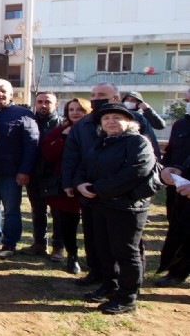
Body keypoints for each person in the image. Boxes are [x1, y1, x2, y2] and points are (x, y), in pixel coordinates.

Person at [76, 103, 156, 314]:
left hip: (126, 206)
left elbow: (135, 172)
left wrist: (97, 188)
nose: (110, 121)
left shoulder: (138, 142)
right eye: (106, 118)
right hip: (100, 204)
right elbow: (85, 165)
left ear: (129, 121)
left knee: (125, 252)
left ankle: (127, 296)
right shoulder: (101, 142)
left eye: (116, 117)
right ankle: (110, 285)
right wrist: (80, 184)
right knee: (104, 248)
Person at [0, 79, 39, 258]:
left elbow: (32, 145)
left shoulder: (24, 114)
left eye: (3, 91)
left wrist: (25, 170)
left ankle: (9, 242)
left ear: (11, 94)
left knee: (11, 209)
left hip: (11, 173)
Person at [41, 98, 92, 274]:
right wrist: (63, 138)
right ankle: (72, 255)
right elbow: (48, 153)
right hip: (64, 185)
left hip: (89, 184)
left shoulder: (96, 130)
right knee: (66, 223)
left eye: (80, 109)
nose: (75, 113)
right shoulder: (60, 131)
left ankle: (94, 259)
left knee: (92, 225)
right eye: (71, 109)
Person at [21, 91, 63, 258]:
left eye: (47, 101)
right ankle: (39, 243)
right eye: (40, 102)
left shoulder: (62, 125)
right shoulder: (29, 122)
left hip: (54, 176)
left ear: (56, 104)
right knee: (38, 211)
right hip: (34, 175)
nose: (43, 105)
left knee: (57, 213)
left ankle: (58, 247)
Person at [156, 88, 190, 287]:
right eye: (187, 100)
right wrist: (168, 168)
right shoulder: (180, 125)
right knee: (177, 231)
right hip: (177, 189)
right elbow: (170, 153)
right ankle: (176, 272)